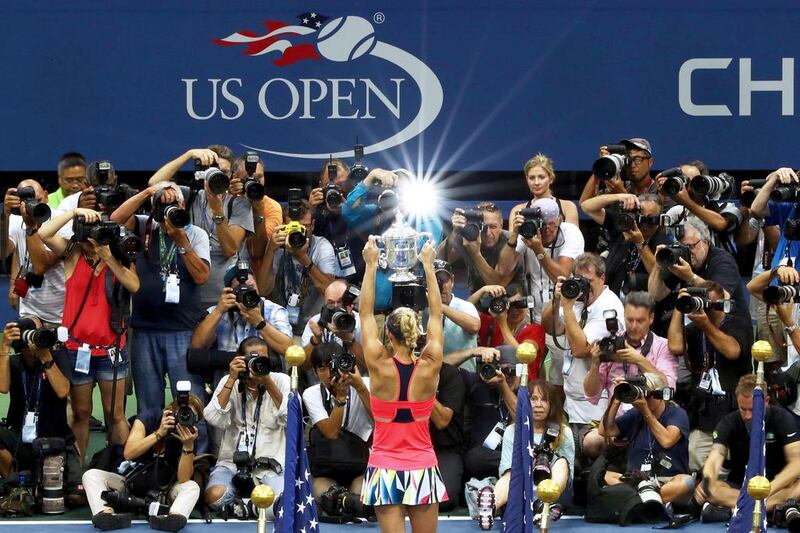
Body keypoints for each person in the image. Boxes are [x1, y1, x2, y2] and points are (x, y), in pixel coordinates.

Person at [109, 183, 210, 446]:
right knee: (149, 404)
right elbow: (115, 220)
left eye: (174, 203)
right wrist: (147, 193)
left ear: (184, 206)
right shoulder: (144, 226)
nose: (169, 209)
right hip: (144, 330)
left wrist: (181, 241)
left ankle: (196, 458)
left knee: (190, 400)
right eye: (164, 204)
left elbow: (201, 276)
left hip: (182, 330)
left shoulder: (196, 233)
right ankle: (153, 461)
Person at [358, 237, 448, 530]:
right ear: (416, 333)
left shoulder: (378, 364)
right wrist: (429, 267)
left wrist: (371, 265)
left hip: (385, 468)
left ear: (390, 335)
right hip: (422, 465)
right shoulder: (430, 364)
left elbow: (365, 313)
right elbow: (437, 313)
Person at [38, 207, 139, 464]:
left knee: (114, 414)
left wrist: (109, 257)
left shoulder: (120, 256)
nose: (93, 237)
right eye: (89, 231)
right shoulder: (72, 255)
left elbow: (134, 285)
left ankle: (122, 469)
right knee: (81, 413)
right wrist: (75, 212)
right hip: (77, 349)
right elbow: (44, 232)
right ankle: (77, 472)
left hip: (111, 349)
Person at [148, 145, 254, 308]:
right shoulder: (190, 196)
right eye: (213, 171)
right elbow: (154, 184)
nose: (217, 177)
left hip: (223, 296)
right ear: (202, 174)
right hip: (189, 293)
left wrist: (217, 209)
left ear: (231, 175)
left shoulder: (239, 204)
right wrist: (188, 155)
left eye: (223, 173)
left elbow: (230, 249)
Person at [82, 392, 203, 532]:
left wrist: (188, 446)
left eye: (190, 416)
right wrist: (159, 433)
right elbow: (129, 453)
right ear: (170, 411)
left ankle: (173, 518)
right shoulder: (149, 417)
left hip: (163, 491)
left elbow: (183, 479)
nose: (184, 418)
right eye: (182, 413)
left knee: (192, 486)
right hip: (129, 483)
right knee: (91, 475)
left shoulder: (190, 436)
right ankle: (106, 516)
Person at [497, 197, 584, 386]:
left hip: (561, 317)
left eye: (551, 224)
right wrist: (514, 236)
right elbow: (502, 270)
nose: (546, 229)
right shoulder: (527, 231)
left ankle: (557, 413)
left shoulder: (571, 233)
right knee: (528, 373)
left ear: (560, 219)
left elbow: (561, 276)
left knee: (560, 378)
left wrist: (538, 250)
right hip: (532, 315)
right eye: (543, 224)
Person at [667, 281, 752, 471]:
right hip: (705, 410)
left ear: (721, 302)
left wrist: (706, 325)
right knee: (696, 459)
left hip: (733, 408)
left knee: (727, 466)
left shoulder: (738, 322)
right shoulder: (696, 327)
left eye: (709, 303)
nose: (705, 308)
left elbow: (732, 351)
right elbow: (674, 345)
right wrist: (679, 307)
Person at [582, 291, 678, 458]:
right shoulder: (611, 345)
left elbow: (668, 388)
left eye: (640, 321)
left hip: (652, 422)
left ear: (651, 318)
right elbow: (591, 395)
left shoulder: (662, 346)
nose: (633, 326)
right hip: (617, 425)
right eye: (629, 320)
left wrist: (639, 360)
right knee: (590, 442)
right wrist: (595, 364)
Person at [204, 336, 290, 520]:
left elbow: (291, 418)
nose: (259, 363)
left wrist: (267, 382)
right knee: (214, 496)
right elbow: (212, 417)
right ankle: (251, 505)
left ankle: (246, 507)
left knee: (284, 503)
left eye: (263, 358)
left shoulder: (281, 380)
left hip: (270, 466)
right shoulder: (230, 381)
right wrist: (232, 378)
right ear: (241, 360)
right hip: (231, 464)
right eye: (253, 358)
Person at [695, 374, 800, 521]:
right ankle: (763, 509)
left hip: (775, 486)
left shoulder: (783, 418)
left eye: (752, 409)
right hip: (740, 487)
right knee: (712, 489)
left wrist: (767, 489)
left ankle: (740, 510)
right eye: (742, 409)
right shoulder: (728, 422)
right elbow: (715, 456)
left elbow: (797, 463)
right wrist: (707, 479)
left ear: (766, 401)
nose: (747, 415)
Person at [541, 253, 624, 428]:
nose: (583, 286)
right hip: (570, 400)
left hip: (595, 404)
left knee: (588, 448)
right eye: (578, 279)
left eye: (588, 281)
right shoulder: (577, 299)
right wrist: (556, 300)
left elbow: (580, 350)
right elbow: (550, 328)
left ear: (602, 278)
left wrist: (567, 308)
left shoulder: (609, 308)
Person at [478, 380, 574, 530]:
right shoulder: (512, 430)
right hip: (520, 487)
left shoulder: (564, 432)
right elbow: (505, 469)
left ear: (552, 405)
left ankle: (544, 506)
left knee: (562, 463)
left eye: (544, 399)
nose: (538, 405)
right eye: (533, 399)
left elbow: (569, 473)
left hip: (553, 491)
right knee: (510, 473)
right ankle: (490, 507)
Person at [598, 373, 693, 506]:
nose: (644, 399)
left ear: (659, 395)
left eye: (646, 394)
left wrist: (645, 411)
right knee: (601, 475)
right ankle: (648, 501)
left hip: (665, 481)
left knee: (686, 482)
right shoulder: (635, 413)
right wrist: (616, 399)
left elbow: (667, 441)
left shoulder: (676, 413)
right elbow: (605, 431)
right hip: (634, 481)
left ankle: (636, 502)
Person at [303, 343, 373, 517]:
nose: (329, 374)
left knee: (363, 495)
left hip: (359, 466)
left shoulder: (366, 385)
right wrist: (341, 399)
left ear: (346, 364)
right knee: (320, 492)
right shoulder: (311, 393)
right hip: (326, 469)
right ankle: (344, 501)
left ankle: (342, 501)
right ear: (314, 372)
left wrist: (360, 388)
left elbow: (382, 421)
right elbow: (331, 432)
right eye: (322, 368)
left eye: (334, 366)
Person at [0, 320, 71, 479]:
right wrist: (4, 347)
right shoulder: (14, 362)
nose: (35, 340)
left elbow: (63, 391)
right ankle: (16, 484)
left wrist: (45, 357)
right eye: (30, 336)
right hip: (19, 438)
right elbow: (3, 387)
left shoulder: (56, 357)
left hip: (54, 440)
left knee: (75, 495)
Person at [257, 199, 336, 337]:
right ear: (284, 226)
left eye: (304, 227)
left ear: (312, 225)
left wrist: (303, 258)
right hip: (280, 326)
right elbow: (263, 290)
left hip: (312, 328)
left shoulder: (321, 247)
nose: (299, 234)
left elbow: (328, 290)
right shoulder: (277, 246)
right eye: (293, 228)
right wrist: (270, 251)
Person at [191, 263, 293, 356]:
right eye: (239, 289)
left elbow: (289, 350)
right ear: (229, 291)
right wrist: (219, 311)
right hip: (227, 374)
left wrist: (259, 322)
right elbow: (197, 346)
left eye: (251, 287)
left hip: (267, 375)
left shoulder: (274, 311)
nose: (247, 294)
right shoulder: (217, 311)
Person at [580, 193, 670, 297]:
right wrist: (619, 197)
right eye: (640, 216)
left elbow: (659, 275)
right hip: (611, 297)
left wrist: (640, 243)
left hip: (640, 304)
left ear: (659, 219)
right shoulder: (624, 226)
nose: (645, 223)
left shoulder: (663, 242)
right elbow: (587, 207)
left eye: (650, 219)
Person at [4, 179, 65, 325]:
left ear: (46, 196)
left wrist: (31, 227)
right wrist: (4, 216)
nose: (33, 207)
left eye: (37, 200)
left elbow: (41, 266)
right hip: (30, 310)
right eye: (26, 203)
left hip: (61, 313)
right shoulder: (16, 219)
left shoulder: (61, 221)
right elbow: (3, 252)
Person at [460, 347, 520, 482]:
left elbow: (523, 421)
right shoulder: (478, 383)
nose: (507, 376)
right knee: (474, 457)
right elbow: (439, 366)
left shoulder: (526, 393)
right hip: (481, 461)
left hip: (510, 460)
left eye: (513, 371)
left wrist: (503, 385)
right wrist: (472, 352)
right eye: (503, 371)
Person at [469, 283, 547, 380]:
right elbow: (464, 309)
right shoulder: (491, 324)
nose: (514, 310)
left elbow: (524, 356)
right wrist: (483, 290)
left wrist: (502, 323)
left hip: (522, 388)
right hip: (493, 385)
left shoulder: (535, 329)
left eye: (518, 304)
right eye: (509, 306)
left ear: (526, 303)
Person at [439, 202, 521, 293]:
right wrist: (455, 232)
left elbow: (498, 285)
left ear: (501, 225)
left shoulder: (512, 241)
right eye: (484, 227)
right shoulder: (470, 236)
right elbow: (438, 260)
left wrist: (476, 254)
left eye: (493, 227)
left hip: (511, 301)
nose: (488, 233)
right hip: (477, 300)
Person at [301, 279, 364, 368]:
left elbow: (369, 366)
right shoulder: (315, 322)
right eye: (330, 303)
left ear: (349, 303)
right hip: (320, 381)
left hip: (354, 380)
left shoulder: (362, 323)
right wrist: (315, 340)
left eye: (340, 302)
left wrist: (349, 339)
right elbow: (304, 366)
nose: (335, 307)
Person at [435, 260, 481, 371]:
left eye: (444, 280)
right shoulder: (424, 311)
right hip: (433, 378)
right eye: (436, 281)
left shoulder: (465, 306)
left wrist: (440, 307)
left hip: (463, 377)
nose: (442, 287)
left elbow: (475, 326)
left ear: (452, 281)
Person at [512, 153, 579, 226]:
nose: (536, 182)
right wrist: (516, 232)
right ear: (527, 179)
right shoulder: (518, 210)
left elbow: (574, 237)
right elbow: (512, 237)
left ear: (551, 179)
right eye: (532, 178)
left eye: (541, 177)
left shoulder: (567, 207)